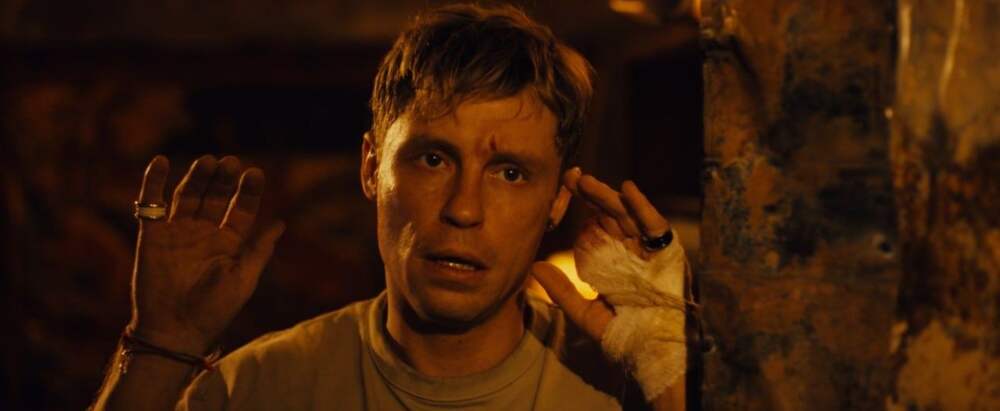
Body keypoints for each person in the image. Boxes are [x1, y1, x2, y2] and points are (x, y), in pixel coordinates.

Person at [92, 4, 691, 410]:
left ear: (557, 201)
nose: (464, 209)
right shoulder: (260, 387)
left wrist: (672, 381)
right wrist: (159, 345)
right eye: (433, 159)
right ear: (371, 168)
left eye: (510, 173)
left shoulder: (624, 387)